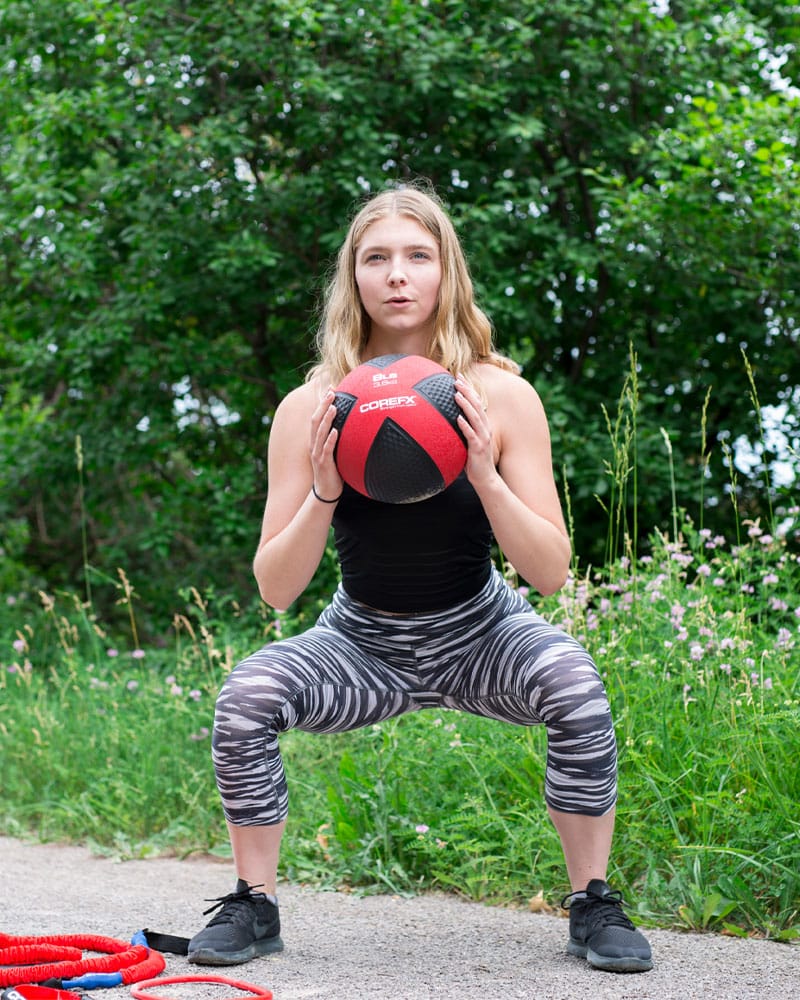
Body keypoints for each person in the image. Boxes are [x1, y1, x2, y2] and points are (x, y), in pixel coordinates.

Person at [187, 185, 653, 974]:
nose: (397, 275)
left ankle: (593, 902)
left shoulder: (500, 394)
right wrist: (325, 489)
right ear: (353, 278)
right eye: (377, 258)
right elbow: (275, 589)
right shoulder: (310, 407)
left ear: (446, 273)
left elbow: (550, 574)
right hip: (360, 642)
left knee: (574, 682)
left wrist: (486, 474)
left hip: (481, 633)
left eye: (417, 256)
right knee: (247, 697)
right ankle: (253, 903)